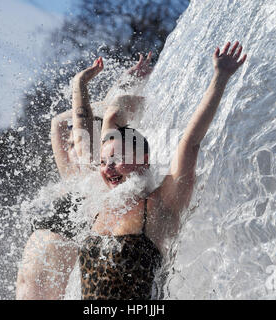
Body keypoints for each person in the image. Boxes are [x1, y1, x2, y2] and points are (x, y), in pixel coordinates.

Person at [78, 41, 247, 299]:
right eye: (103, 162)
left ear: (144, 161)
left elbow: (190, 143)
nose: (107, 167)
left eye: (116, 159)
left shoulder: (160, 203)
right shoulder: (100, 200)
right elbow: (100, 128)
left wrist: (221, 77)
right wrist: (81, 85)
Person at [16, 53, 153, 299]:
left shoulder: (96, 180)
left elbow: (84, 125)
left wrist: (81, 86)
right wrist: (98, 91)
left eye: (77, 143)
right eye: (69, 144)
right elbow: (60, 122)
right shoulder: (70, 178)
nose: (72, 148)